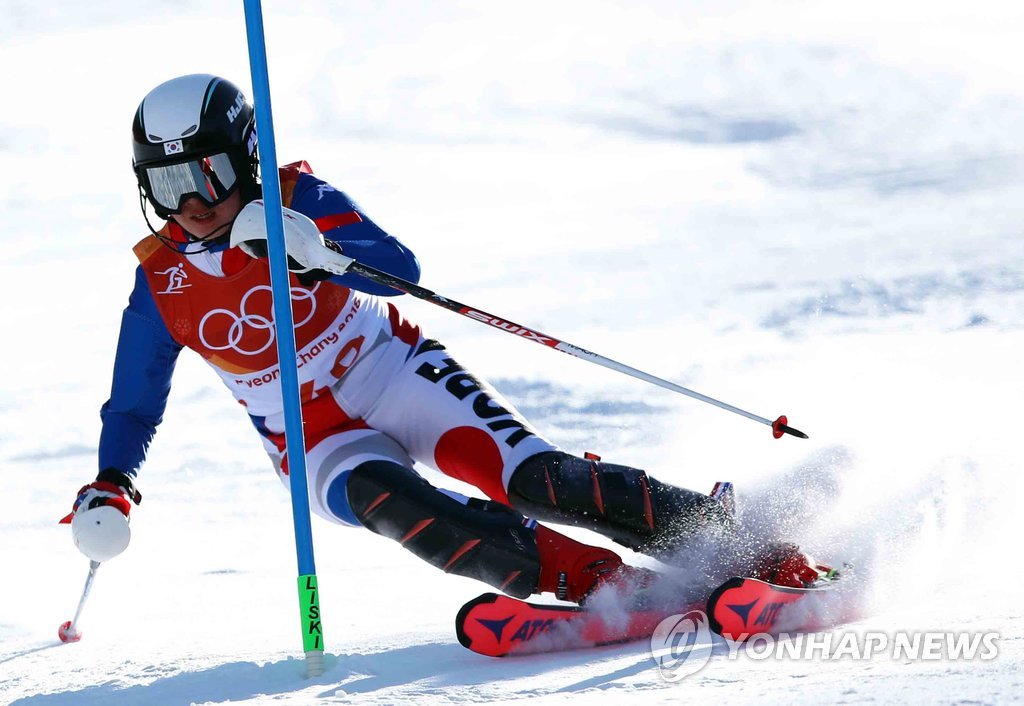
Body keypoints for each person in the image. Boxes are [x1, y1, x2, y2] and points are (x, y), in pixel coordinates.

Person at [62, 74, 822, 606]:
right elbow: (134, 404)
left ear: (248, 156)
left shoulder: (297, 198)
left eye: (208, 173)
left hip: (394, 369)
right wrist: (113, 481)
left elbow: (401, 272)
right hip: (310, 435)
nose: (192, 203)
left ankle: (730, 537)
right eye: (168, 186)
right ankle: (595, 584)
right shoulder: (161, 282)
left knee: (535, 480)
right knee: (404, 508)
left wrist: (315, 250)